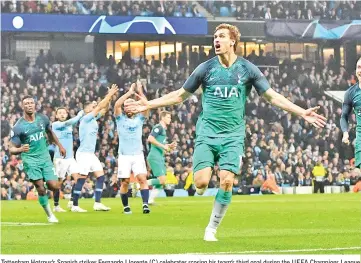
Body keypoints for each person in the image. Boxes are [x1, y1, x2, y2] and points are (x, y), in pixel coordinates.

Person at [125, 23, 327, 241]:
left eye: (221, 36)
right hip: (207, 133)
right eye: (215, 37)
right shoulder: (205, 68)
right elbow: (179, 95)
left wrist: (300, 112)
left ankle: (211, 228)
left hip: (233, 135)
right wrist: (149, 105)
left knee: (227, 180)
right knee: (201, 183)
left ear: (233, 41)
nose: (216, 40)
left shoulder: (247, 69)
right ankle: (202, 184)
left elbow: (272, 96)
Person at [9, 96, 66, 223]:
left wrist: (60, 146)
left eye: (31, 103)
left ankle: (50, 179)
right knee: (40, 188)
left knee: (54, 186)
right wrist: (20, 149)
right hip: (30, 159)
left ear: (35, 105)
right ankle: (50, 215)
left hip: (45, 157)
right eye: (26, 103)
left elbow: (50, 132)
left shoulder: (43, 119)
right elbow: (11, 148)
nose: (29, 105)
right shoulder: (19, 127)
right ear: (22, 106)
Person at [72, 84, 119, 212]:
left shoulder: (93, 118)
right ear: (86, 109)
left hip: (90, 154)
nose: (93, 107)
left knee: (101, 176)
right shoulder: (85, 118)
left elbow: (104, 109)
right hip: (83, 154)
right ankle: (75, 205)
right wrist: (109, 95)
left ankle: (97, 203)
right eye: (91, 106)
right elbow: (99, 106)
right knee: (82, 178)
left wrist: (109, 98)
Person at [114, 81, 150, 214]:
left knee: (142, 179)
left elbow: (147, 105)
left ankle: (145, 205)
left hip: (138, 154)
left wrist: (140, 92)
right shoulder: (119, 118)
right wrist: (129, 93)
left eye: (131, 105)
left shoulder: (140, 118)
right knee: (125, 182)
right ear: (124, 109)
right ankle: (125, 206)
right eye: (126, 106)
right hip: (124, 155)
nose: (128, 107)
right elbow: (117, 104)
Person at [51, 107, 84, 212]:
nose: (62, 114)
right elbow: (70, 122)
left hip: (70, 158)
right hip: (60, 159)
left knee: (78, 178)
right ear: (56, 116)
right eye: (59, 113)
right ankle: (56, 206)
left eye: (64, 113)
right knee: (59, 183)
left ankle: (73, 203)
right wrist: (79, 115)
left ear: (66, 114)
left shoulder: (70, 126)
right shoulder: (55, 125)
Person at [146, 111, 177, 204]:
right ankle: (139, 184)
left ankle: (150, 200)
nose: (170, 119)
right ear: (162, 118)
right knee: (162, 180)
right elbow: (150, 138)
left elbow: (161, 145)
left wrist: (168, 146)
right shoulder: (158, 127)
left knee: (161, 182)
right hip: (155, 157)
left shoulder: (163, 130)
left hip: (159, 157)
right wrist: (164, 146)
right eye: (168, 117)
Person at [341, 57, 361, 168]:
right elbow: (344, 116)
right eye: (358, 67)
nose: (360, 70)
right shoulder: (350, 93)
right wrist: (345, 132)